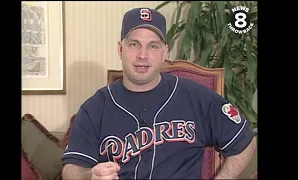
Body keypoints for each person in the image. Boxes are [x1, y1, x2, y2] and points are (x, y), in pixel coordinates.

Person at [61, 7, 257, 180]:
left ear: (164, 52)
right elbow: (71, 169)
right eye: (134, 44)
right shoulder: (95, 107)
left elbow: (245, 142)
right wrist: (89, 176)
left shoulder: (196, 96)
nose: (143, 55)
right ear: (120, 49)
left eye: (153, 46)